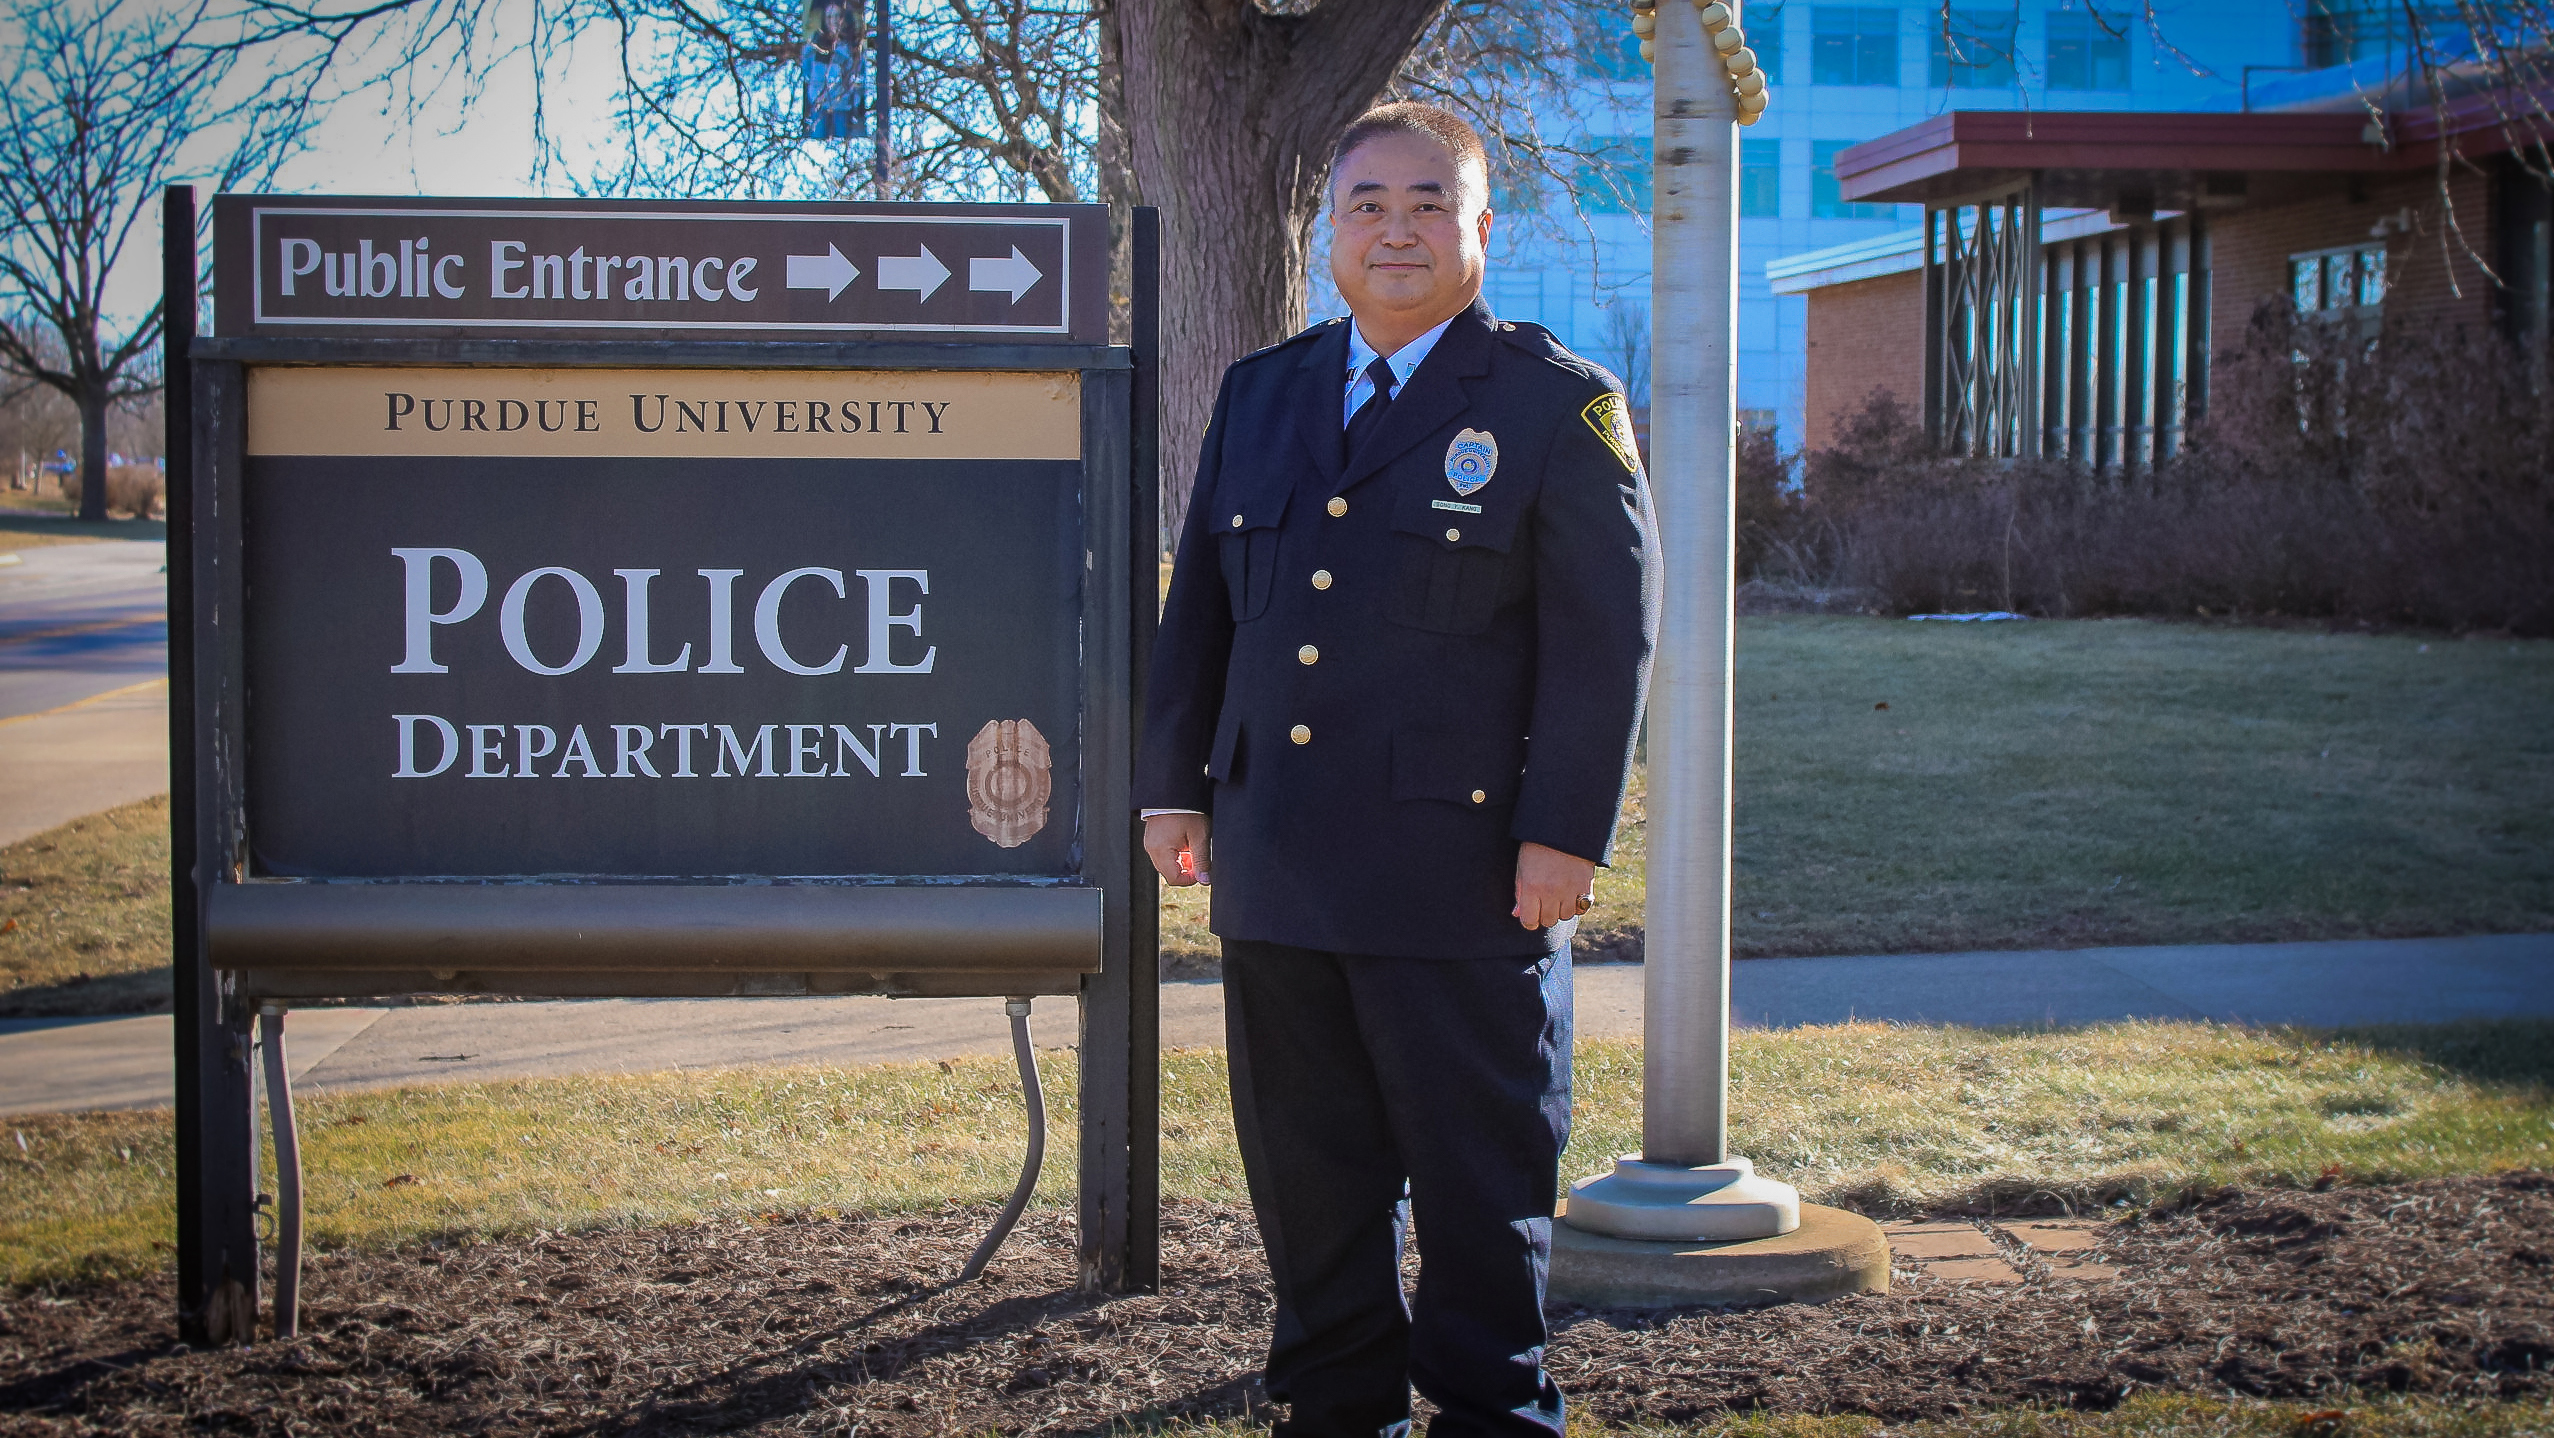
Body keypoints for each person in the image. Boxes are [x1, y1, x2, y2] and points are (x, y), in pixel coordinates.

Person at [1136, 102, 1658, 1438]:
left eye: (1429, 203)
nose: (1396, 229)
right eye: (1366, 204)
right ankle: (1336, 1410)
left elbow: (1606, 644)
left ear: (1482, 230)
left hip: (1461, 877)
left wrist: (1564, 835)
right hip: (1279, 864)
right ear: (1329, 234)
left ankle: (1493, 1412)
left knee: (1479, 1190)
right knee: (1308, 1181)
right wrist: (1171, 782)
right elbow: (1201, 597)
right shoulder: (1264, 391)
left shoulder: (1554, 403)